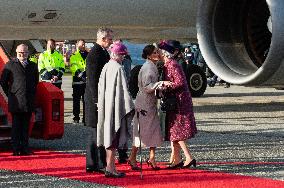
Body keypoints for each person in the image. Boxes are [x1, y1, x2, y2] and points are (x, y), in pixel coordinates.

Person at [97, 42, 135, 178]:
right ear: (117, 54)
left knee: (108, 137)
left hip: (107, 107)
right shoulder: (118, 68)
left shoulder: (106, 66)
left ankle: (109, 166)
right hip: (116, 108)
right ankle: (111, 169)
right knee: (113, 138)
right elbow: (124, 91)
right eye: (122, 55)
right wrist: (132, 106)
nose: (123, 58)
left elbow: (100, 88)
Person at [128, 45, 168, 171]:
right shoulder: (148, 67)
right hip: (145, 103)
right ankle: (134, 157)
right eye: (155, 52)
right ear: (149, 55)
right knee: (141, 131)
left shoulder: (150, 66)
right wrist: (160, 84)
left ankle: (150, 157)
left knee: (153, 130)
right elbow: (147, 86)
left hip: (148, 102)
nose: (158, 54)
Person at [158, 40, 197, 169]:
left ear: (164, 53)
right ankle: (177, 159)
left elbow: (179, 82)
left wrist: (166, 86)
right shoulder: (168, 64)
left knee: (177, 132)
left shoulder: (172, 65)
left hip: (179, 102)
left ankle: (188, 157)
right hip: (175, 101)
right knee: (173, 132)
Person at [0, 44, 39, 156]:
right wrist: (11, 93)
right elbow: (3, 82)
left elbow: (35, 81)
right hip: (16, 101)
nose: (22, 54)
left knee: (26, 127)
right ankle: (16, 148)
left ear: (28, 53)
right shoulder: (10, 65)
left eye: (25, 52)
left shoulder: (32, 66)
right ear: (17, 53)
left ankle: (25, 148)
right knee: (16, 127)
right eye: (20, 52)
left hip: (28, 100)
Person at [85, 27, 113, 173]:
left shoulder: (101, 52)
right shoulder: (95, 54)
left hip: (100, 98)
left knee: (98, 132)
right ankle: (92, 164)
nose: (112, 41)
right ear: (103, 39)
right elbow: (92, 79)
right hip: (95, 100)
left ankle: (98, 162)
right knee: (95, 133)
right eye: (110, 39)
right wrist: (97, 100)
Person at [70, 39, 88, 124]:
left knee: (86, 101)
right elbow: (74, 68)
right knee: (76, 101)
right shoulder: (74, 56)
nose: (83, 46)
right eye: (81, 45)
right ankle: (76, 118)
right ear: (77, 46)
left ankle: (85, 118)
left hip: (86, 83)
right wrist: (83, 76)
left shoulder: (88, 55)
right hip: (77, 83)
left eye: (84, 44)